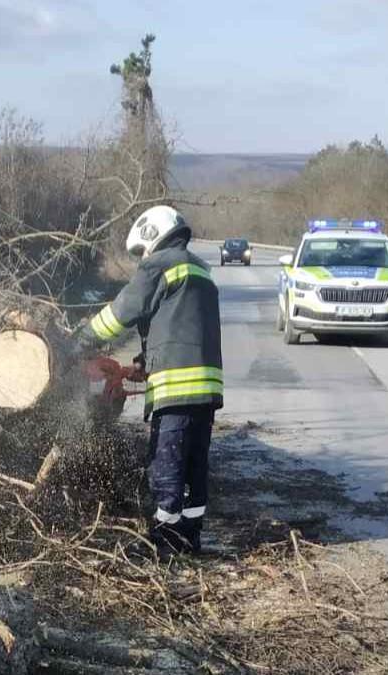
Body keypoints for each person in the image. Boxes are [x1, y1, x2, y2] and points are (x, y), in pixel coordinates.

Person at [77, 205, 223, 553]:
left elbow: (124, 310)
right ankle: (190, 536)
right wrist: (146, 361)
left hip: (176, 389)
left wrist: (78, 341)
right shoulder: (200, 271)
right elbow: (179, 325)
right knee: (193, 465)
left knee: (165, 463)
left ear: (152, 235)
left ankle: (164, 540)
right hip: (206, 389)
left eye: (142, 251)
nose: (143, 258)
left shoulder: (161, 264)